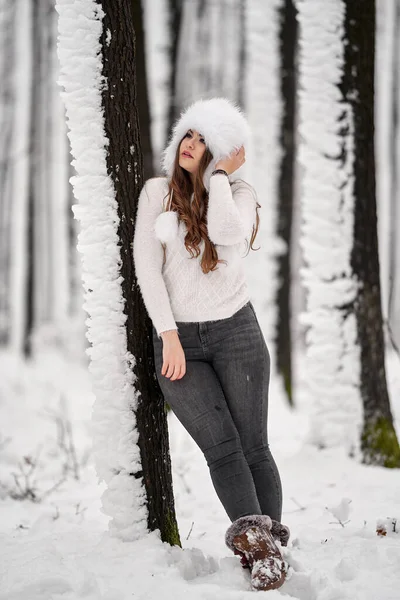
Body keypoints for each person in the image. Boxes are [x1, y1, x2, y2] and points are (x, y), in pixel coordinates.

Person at [133, 97, 290, 591]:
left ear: (218, 151)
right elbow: (147, 270)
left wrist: (219, 176)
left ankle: (269, 552)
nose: (190, 144)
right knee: (223, 449)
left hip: (237, 332)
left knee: (254, 447)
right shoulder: (157, 193)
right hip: (179, 342)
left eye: (203, 140)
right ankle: (258, 545)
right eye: (188, 135)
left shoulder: (238, 192)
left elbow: (227, 237)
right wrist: (169, 336)